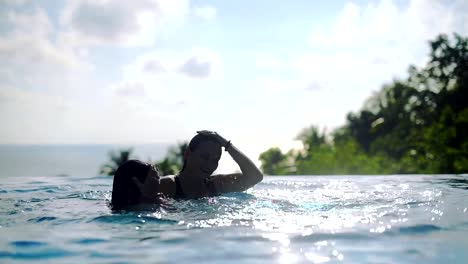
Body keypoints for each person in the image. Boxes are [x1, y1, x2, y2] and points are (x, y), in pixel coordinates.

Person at [151, 130, 263, 199]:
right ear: (188, 154)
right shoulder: (168, 185)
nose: (209, 165)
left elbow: (255, 177)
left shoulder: (217, 185)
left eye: (215, 160)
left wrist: (226, 144)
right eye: (204, 157)